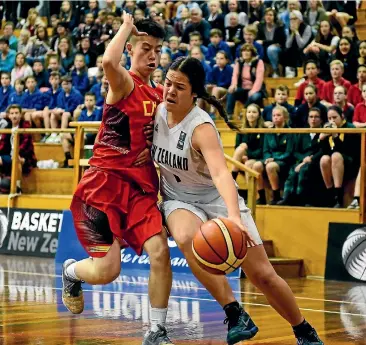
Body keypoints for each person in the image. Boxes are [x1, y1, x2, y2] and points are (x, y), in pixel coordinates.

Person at [153, 56, 323, 345]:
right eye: (168, 83)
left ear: (194, 92)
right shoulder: (155, 112)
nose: (170, 90)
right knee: (184, 236)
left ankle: (303, 330)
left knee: (263, 276)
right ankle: (234, 312)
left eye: (179, 87)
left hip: (217, 198)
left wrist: (233, 216)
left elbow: (221, 174)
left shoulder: (200, 126)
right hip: (178, 199)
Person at [61, 13, 174, 345]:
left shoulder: (158, 96)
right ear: (132, 49)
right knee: (108, 272)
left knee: (160, 253)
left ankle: (157, 330)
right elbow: (109, 59)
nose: (152, 56)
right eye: (145, 49)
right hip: (102, 187)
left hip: (139, 190)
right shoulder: (124, 82)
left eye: (157, 50)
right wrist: (126, 26)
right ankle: (71, 272)